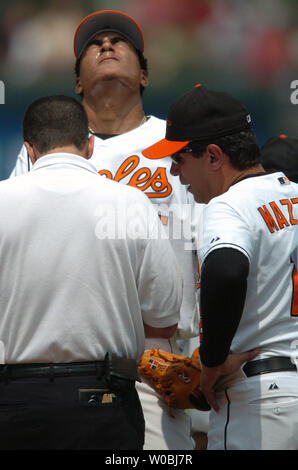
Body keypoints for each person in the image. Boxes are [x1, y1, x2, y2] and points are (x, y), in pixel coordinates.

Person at [9, 10, 200, 450]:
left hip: (161, 366)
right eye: (94, 44)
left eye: (121, 42)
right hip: (62, 358)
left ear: (145, 74)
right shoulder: (46, 148)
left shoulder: (174, 145)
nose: (107, 46)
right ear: (77, 82)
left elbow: (203, 252)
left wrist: (200, 361)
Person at [142, 84, 298, 450]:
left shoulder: (230, 205)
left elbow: (226, 271)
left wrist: (211, 362)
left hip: (261, 401)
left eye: (179, 160)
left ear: (213, 156)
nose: (176, 174)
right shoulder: (293, 194)